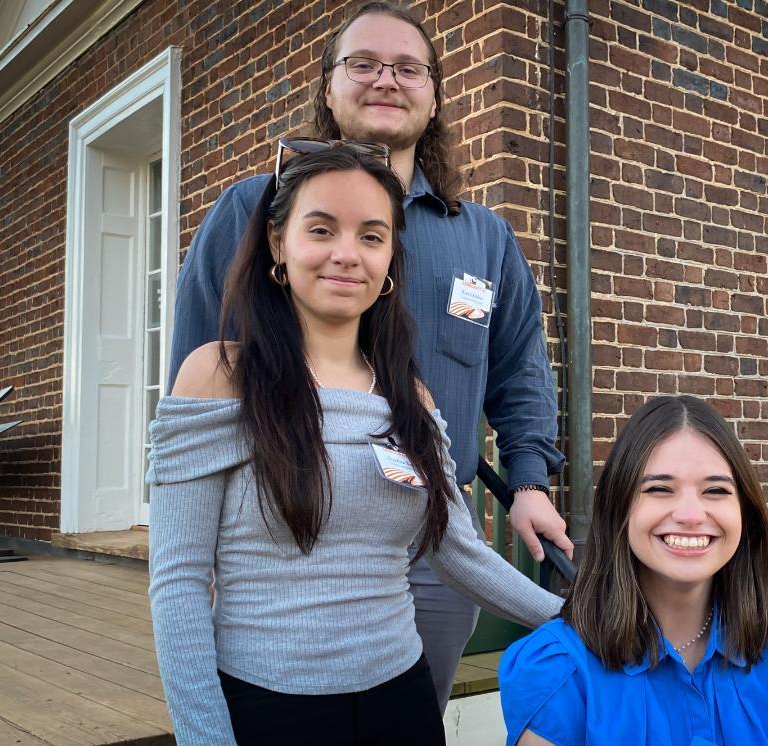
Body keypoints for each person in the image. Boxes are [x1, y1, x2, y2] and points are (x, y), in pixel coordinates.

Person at [166, 1, 570, 710]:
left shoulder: (483, 239)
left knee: (409, 709)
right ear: (328, 87)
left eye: (408, 68)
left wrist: (530, 479)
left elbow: (518, 368)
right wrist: (199, 557)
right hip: (286, 537)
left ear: (436, 94)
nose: (387, 79)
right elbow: (199, 369)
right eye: (363, 64)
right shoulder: (251, 211)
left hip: (438, 536)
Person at [499, 396, 768, 745]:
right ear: (618, 509)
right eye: (659, 489)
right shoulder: (556, 672)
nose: (691, 514)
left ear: (745, 512)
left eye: (715, 490)